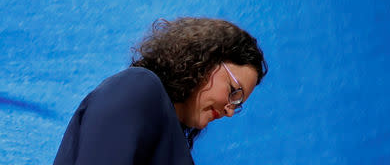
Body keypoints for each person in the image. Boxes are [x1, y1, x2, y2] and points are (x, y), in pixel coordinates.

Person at [53, 17, 267, 165]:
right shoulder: (139, 87)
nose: (230, 111)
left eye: (238, 104)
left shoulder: (170, 137)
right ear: (207, 60)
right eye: (233, 92)